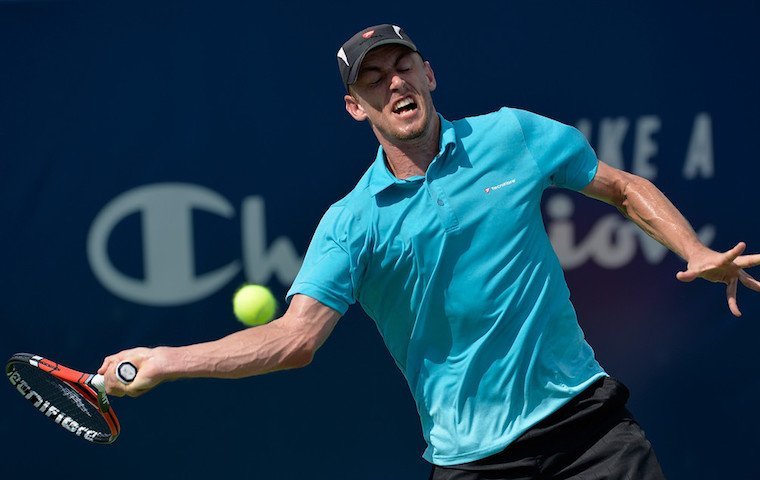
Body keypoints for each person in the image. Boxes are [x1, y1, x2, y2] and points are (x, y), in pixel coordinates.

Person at [99, 24, 760, 479]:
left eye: (402, 67)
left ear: (428, 73)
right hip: (474, 462)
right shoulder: (351, 224)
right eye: (373, 80)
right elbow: (294, 340)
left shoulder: (513, 134)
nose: (393, 85)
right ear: (356, 108)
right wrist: (168, 360)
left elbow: (620, 187)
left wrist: (692, 247)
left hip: (590, 430)